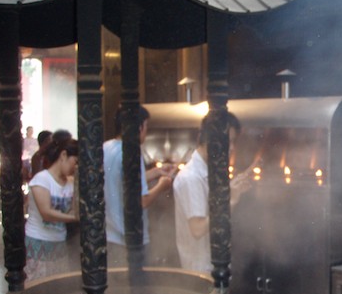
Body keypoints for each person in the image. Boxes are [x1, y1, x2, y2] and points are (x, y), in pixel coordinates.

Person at [173, 112, 251, 274]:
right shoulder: (191, 178)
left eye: (233, 142)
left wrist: (231, 190)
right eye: (228, 142)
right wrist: (230, 201)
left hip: (213, 268)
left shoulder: (207, 171)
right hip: (202, 273)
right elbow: (198, 229)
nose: (232, 149)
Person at [103, 105, 175, 268]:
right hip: (129, 238)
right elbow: (142, 201)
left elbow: (122, 180)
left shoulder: (106, 148)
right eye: (146, 126)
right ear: (138, 126)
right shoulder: (132, 153)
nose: (146, 131)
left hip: (109, 235)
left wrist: (156, 172)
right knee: (133, 287)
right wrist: (161, 186)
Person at [24, 136, 79, 281]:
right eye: (75, 161)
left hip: (59, 241)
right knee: (36, 286)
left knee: (57, 287)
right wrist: (75, 217)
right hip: (39, 241)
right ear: (63, 155)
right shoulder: (42, 179)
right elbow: (46, 213)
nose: (76, 167)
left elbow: (74, 208)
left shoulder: (71, 182)